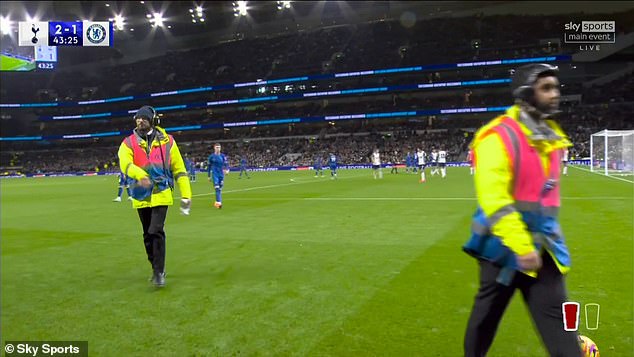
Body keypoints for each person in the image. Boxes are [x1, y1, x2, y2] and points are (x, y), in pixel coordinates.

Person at [462, 63, 580, 356]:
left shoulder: (553, 137)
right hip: (502, 252)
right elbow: (495, 200)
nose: (555, 94)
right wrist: (520, 245)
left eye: (556, 87)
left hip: (543, 252)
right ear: (526, 92)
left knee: (562, 329)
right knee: (485, 322)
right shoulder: (497, 137)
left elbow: (546, 202)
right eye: (546, 88)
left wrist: (543, 244)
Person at [118, 105, 192, 288]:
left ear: (153, 120)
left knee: (155, 230)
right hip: (140, 194)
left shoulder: (168, 142)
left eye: (143, 118)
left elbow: (180, 169)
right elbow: (124, 163)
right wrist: (139, 175)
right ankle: (156, 267)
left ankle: (159, 272)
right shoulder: (128, 143)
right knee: (146, 235)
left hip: (162, 192)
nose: (140, 121)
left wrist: (186, 195)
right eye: (137, 118)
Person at [207, 143, 229, 209]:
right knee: (217, 188)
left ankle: (217, 201)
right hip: (215, 174)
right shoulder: (211, 157)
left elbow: (226, 164)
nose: (218, 149)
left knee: (220, 189)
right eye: (217, 147)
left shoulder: (223, 156)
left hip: (221, 174)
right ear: (214, 148)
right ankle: (219, 203)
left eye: (219, 147)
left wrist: (227, 170)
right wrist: (208, 176)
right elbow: (209, 166)